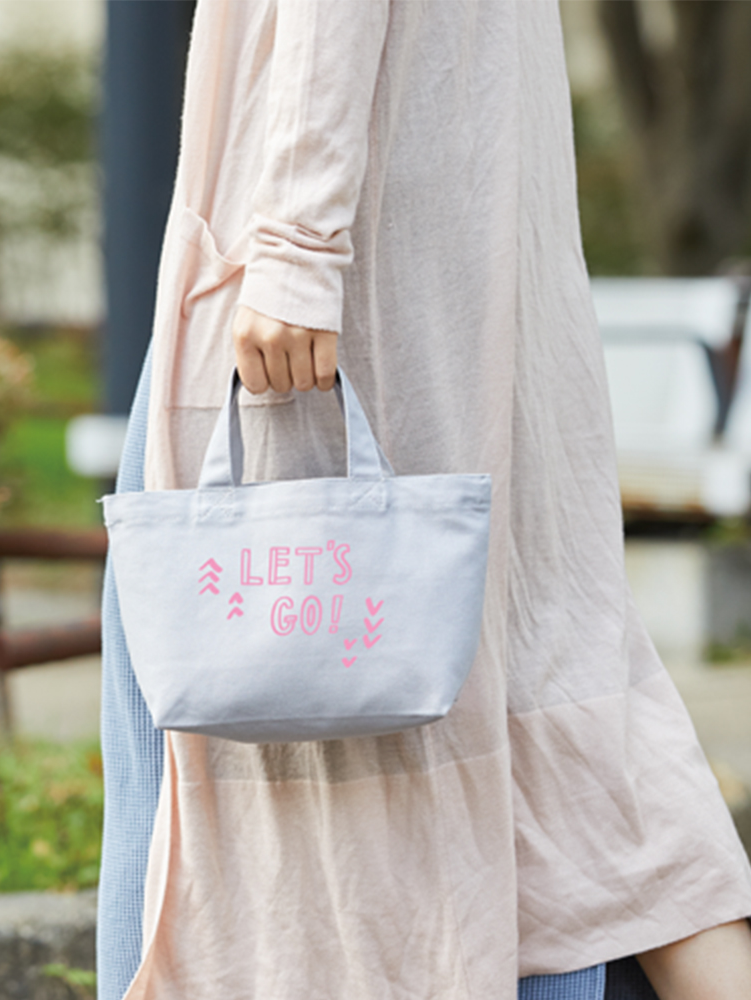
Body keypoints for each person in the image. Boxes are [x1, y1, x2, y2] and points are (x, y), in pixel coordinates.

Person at [97, 2, 751, 998]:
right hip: (460, 262)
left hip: (339, 284)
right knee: (556, 704)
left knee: (197, 714)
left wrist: (298, 247)